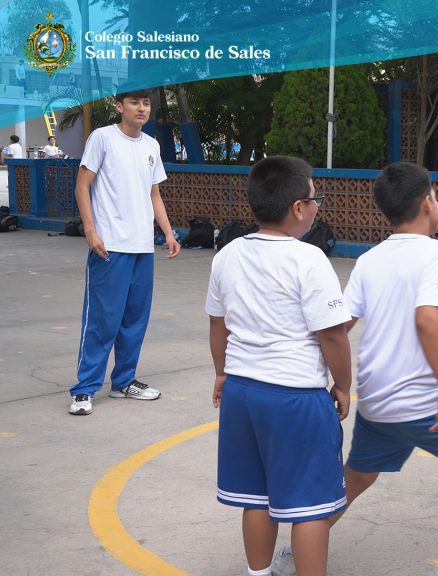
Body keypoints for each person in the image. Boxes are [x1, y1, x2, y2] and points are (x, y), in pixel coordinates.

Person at [269, 161, 438, 575]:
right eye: (436, 196)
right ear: (427, 203)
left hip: (377, 402)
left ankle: (294, 555)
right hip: (425, 403)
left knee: (358, 477)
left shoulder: (370, 259)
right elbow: (427, 319)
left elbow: (339, 324)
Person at [207, 156, 352, 576]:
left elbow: (218, 324)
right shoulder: (309, 259)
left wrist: (222, 372)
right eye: (315, 198)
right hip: (295, 395)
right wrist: (343, 385)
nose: (317, 206)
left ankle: (258, 573)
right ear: (298, 208)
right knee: (311, 505)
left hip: (242, 391)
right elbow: (332, 334)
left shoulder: (228, 255)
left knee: (256, 496)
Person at [67, 90, 181, 416]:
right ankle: (85, 388)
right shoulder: (103, 138)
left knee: (134, 320)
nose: (141, 108)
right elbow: (82, 185)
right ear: (119, 106)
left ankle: (123, 382)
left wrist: (168, 233)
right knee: (102, 320)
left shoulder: (151, 145)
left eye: (146, 103)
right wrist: (90, 230)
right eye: (134, 102)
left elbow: (154, 194)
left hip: (142, 246)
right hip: (110, 246)